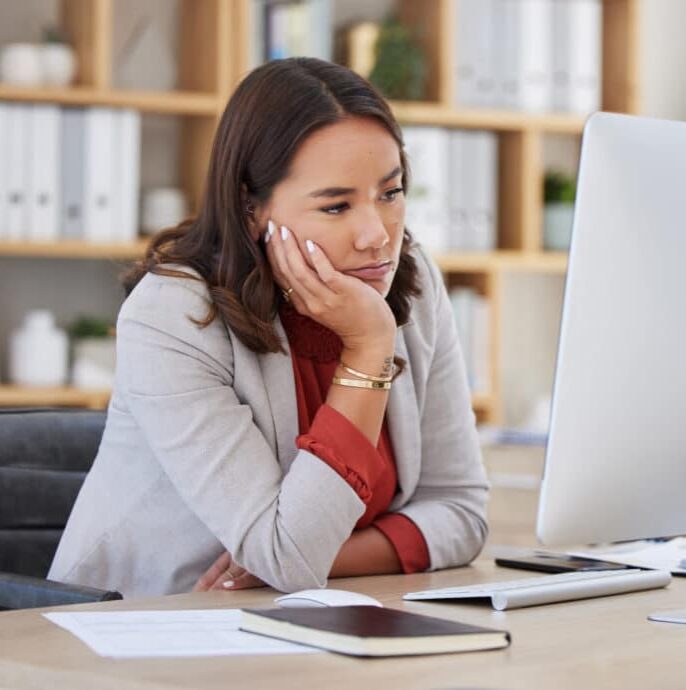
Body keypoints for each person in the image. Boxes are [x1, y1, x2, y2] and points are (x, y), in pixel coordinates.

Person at [48, 58, 489, 597]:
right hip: (148, 622)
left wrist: (322, 559)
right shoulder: (171, 316)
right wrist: (367, 350)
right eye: (336, 206)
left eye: (390, 193)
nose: (377, 235)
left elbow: (461, 511)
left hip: (312, 618)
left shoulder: (413, 283)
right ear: (250, 207)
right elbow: (288, 557)